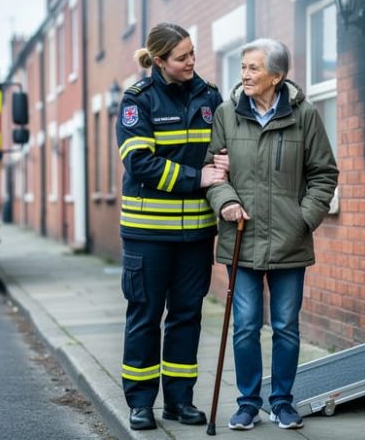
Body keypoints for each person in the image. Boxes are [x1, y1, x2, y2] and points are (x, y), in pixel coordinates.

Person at [205, 38, 338, 430]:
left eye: (253, 68)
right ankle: (248, 402)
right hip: (241, 239)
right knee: (245, 324)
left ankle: (281, 401)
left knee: (285, 326)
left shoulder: (305, 116)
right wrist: (226, 201)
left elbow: (324, 173)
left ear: (276, 77)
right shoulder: (226, 115)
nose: (244, 74)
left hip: (289, 240)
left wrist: (305, 218)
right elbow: (213, 173)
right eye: (243, 67)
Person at [115, 22, 226, 431]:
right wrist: (198, 178)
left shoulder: (209, 96)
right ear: (159, 61)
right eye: (182, 57)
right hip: (147, 236)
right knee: (145, 315)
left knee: (186, 316)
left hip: (196, 234)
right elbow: (139, 163)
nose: (192, 62)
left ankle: (180, 401)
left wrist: (225, 162)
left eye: (193, 53)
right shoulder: (137, 101)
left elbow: (222, 148)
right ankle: (141, 403)